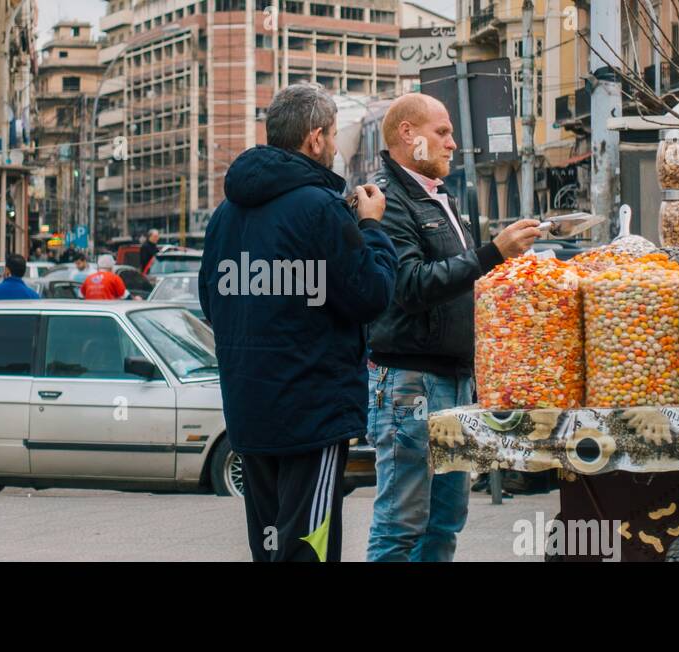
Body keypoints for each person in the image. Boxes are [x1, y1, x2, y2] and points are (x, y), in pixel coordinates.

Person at [199, 83, 398, 562]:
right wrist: (371, 226)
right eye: (331, 136)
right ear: (314, 139)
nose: (334, 146)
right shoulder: (319, 209)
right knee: (309, 545)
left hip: (250, 408)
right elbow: (370, 294)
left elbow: (212, 302)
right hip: (311, 411)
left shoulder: (225, 215)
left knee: (269, 547)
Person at [364, 93, 543, 562]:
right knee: (402, 524)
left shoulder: (439, 196)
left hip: (453, 379)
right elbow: (408, 284)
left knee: (443, 524)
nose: (452, 142)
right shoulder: (385, 197)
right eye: (441, 132)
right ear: (408, 134)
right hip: (411, 383)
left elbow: (462, 281)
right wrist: (493, 253)